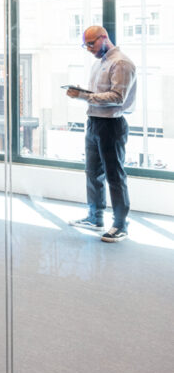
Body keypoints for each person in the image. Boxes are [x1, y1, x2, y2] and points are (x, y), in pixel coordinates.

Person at [67, 26, 137, 242]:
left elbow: (117, 97)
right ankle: (95, 217)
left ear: (104, 38)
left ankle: (120, 225)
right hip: (95, 122)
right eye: (85, 45)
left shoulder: (121, 63)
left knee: (114, 175)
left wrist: (83, 96)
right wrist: (84, 94)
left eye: (91, 43)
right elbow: (99, 94)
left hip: (111, 125)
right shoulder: (100, 63)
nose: (88, 48)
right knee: (92, 172)